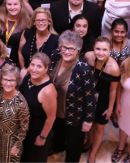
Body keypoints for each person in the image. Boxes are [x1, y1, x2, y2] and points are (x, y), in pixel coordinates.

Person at [45, 31, 95, 162]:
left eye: (71, 48)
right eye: (64, 47)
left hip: (75, 115)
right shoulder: (55, 56)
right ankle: (58, 147)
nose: (66, 51)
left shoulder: (84, 69)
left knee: (74, 146)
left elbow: (90, 98)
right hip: (56, 110)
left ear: (78, 49)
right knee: (58, 135)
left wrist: (88, 121)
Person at [84, 37, 122, 163]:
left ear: (110, 50)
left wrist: (110, 108)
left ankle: (93, 153)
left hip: (104, 99)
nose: (100, 52)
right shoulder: (88, 57)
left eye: (104, 49)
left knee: (99, 127)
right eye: (98, 49)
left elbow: (113, 90)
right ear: (93, 48)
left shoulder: (114, 68)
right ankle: (89, 141)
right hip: (88, 95)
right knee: (89, 123)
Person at [0, 63, 30, 163]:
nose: (8, 83)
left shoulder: (21, 103)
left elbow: (24, 127)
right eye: (5, 79)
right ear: (0, 79)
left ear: (17, 81)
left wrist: (17, 145)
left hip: (12, 141)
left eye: (12, 80)